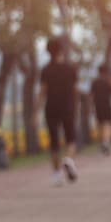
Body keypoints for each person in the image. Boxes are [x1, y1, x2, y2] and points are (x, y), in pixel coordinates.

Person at [38, 37, 80, 185]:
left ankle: (56, 175)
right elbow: (75, 91)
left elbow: (42, 92)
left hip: (51, 108)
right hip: (67, 107)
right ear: (61, 50)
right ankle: (68, 159)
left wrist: (35, 112)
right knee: (71, 139)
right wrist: (76, 106)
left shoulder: (45, 70)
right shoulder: (70, 69)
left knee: (54, 142)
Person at [90, 64, 111, 155]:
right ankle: (106, 141)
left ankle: (102, 143)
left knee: (100, 125)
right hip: (107, 105)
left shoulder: (95, 82)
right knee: (108, 124)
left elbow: (92, 96)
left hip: (97, 106)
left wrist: (91, 107)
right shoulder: (109, 81)